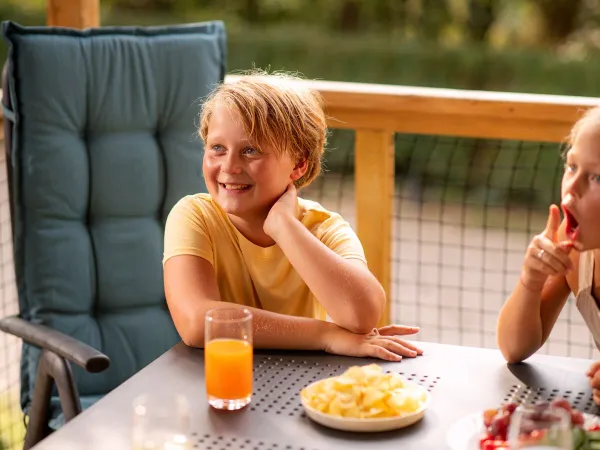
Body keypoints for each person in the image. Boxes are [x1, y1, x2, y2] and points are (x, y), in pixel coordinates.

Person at [163, 70, 423, 362]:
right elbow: (197, 323)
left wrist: (283, 226)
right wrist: (327, 335)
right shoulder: (194, 215)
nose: (230, 166)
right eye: (217, 148)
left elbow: (363, 314)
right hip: (216, 384)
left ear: (298, 164)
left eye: (251, 150)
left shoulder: (325, 228)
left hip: (301, 382)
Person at [496, 105, 600, 403]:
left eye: (598, 178)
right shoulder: (574, 252)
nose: (571, 190)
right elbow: (514, 348)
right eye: (572, 167)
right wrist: (531, 280)